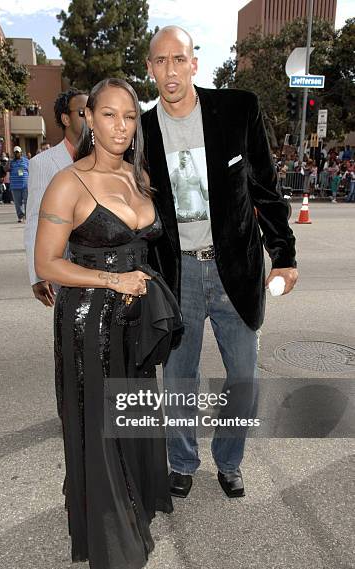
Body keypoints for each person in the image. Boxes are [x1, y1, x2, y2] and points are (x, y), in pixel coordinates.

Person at [142, 26, 297, 499]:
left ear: (194, 63)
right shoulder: (142, 130)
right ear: (150, 69)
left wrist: (284, 255)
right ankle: (183, 461)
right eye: (160, 61)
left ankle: (229, 460)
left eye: (178, 59)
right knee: (178, 380)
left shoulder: (237, 110)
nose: (170, 71)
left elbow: (265, 189)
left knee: (244, 376)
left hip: (236, 268)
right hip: (178, 272)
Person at [34, 78, 177, 569]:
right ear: (88, 118)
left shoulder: (139, 176)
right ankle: (111, 547)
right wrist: (113, 279)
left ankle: (134, 505)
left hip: (133, 325)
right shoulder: (68, 183)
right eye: (110, 115)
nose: (121, 126)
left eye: (131, 117)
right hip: (89, 324)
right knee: (101, 429)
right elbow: (46, 263)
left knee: (132, 417)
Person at [24, 88, 88, 307]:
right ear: (65, 118)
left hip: (103, 265)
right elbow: (34, 220)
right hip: (65, 266)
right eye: (82, 112)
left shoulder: (104, 158)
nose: (89, 117)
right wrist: (37, 274)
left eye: (92, 111)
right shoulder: (43, 164)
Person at [9, 146, 29, 222]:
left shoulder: (26, 161)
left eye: (18, 152)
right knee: (18, 203)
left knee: (27, 201)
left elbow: (30, 170)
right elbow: (5, 169)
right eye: (15, 152)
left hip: (25, 185)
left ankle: (27, 217)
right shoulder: (11, 162)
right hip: (15, 186)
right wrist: (9, 161)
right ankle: (20, 216)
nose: (17, 154)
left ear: (21, 152)